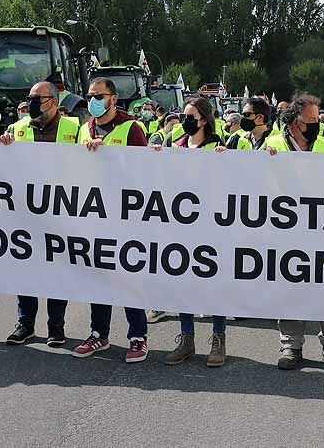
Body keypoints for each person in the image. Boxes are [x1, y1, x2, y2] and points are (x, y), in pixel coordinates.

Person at [264, 92, 324, 371]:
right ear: (294, 121)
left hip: (322, 228)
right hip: (286, 230)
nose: (316, 124)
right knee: (289, 287)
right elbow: (256, 182)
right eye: (310, 120)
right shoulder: (273, 144)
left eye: (318, 119)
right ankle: (291, 344)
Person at [76, 76, 151, 363]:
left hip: (125, 216)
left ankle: (138, 336)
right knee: (98, 278)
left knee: (128, 277)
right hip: (93, 215)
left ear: (113, 99)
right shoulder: (85, 129)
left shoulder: (131, 128)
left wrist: (108, 157)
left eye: (99, 95)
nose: (93, 100)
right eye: (90, 95)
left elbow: (143, 172)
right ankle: (99, 333)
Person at [0, 81, 79, 349]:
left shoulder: (75, 129)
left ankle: (56, 326)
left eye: (37, 98)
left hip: (61, 212)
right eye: (29, 98)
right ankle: (26, 325)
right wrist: (2, 145)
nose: (32, 102)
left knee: (58, 272)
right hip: (26, 214)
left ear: (54, 102)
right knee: (26, 271)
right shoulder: (18, 129)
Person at [163, 96, 228, 368]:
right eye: (184, 115)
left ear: (204, 119)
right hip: (182, 225)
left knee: (214, 283)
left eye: (191, 116)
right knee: (184, 282)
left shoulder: (219, 148)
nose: (186, 120)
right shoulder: (175, 145)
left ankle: (218, 338)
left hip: (211, 226)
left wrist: (229, 162)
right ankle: (187, 339)